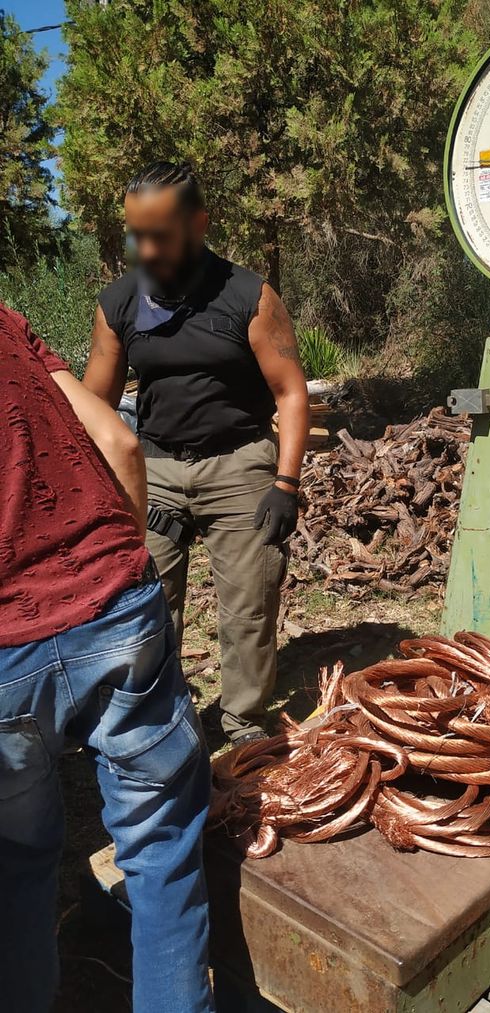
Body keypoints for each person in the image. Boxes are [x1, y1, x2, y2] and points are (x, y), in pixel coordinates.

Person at [0, 303, 214, 1013]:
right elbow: (120, 443)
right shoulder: (5, 322)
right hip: (118, 610)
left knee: (16, 861)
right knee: (161, 851)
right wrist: (120, 572)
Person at [84, 161, 310, 745]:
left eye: (160, 235)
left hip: (239, 465)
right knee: (146, 606)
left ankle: (243, 724)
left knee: (248, 607)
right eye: (137, 234)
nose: (146, 249)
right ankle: (160, 724)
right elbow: (94, 405)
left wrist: (285, 484)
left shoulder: (248, 296)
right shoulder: (119, 304)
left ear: (199, 224)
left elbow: (290, 392)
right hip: (153, 470)